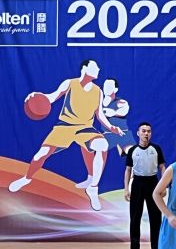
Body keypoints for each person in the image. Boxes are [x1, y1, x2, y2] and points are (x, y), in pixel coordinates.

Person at [8, 59, 123, 211]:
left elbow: (99, 114)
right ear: (84, 69)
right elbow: (51, 97)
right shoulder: (70, 83)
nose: (98, 69)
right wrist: (37, 96)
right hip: (65, 126)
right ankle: (26, 178)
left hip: (85, 128)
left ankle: (93, 187)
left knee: (102, 145)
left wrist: (111, 127)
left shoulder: (98, 91)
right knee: (40, 154)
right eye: (94, 66)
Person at [124, 122, 165, 249]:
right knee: (135, 218)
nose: (146, 133)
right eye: (143, 131)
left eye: (148, 131)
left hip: (153, 183)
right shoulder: (132, 150)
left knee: (156, 218)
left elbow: (162, 168)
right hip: (137, 183)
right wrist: (126, 189)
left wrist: (163, 186)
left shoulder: (156, 149)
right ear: (138, 133)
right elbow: (128, 170)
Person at [100, 78, 133, 158]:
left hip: (123, 134)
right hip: (107, 135)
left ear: (115, 89)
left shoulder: (121, 102)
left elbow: (124, 110)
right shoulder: (98, 103)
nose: (106, 88)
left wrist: (113, 113)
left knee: (132, 153)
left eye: (109, 86)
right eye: (105, 86)